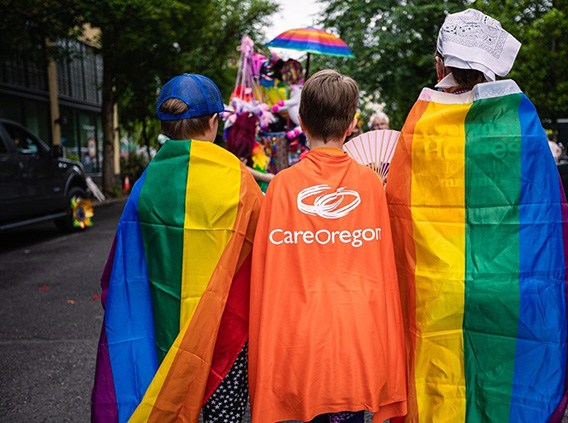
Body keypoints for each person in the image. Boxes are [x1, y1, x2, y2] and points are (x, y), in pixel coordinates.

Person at [385, 9, 568, 423]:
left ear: (440, 62)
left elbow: (399, 212)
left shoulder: (420, 126)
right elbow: (545, 213)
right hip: (512, 288)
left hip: (438, 291)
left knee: (440, 391)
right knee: (502, 391)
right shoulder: (520, 121)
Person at [91, 73, 262, 423]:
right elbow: (260, 248)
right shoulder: (238, 177)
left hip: (162, 327)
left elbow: (123, 265)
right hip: (222, 330)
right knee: (222, 416)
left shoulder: (145, 182)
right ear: (214, 121)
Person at [249, 69, 407, 423]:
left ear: (301, 121)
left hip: (300, 338)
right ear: (351, 124)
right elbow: (383, 269)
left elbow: (267, 274)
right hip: (358, 336)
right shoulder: (370, 185)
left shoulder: (282, 187)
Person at [225, 111, 274, 188]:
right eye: (256, 126)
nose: (258, 129)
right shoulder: (243, 142)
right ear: (248, 127)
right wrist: (264, 176)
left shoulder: (251, 142)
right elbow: (240, 166)